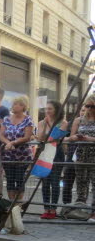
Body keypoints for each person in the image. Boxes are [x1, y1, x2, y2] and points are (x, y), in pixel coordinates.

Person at [0, 95, 34, 201]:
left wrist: (14, 142)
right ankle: (10, 204)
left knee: (19, 179)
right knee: (10, 179)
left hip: (22, 155)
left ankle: (17, 205)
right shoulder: (6, 119)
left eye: (15, 104)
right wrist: (8, 143)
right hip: (8, 155)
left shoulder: (28, 119)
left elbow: (27, 137)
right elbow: (1, 135)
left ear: (23, 106)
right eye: (13, 104)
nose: (13, 106)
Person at [37, 101, 68, 219]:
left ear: (56, 110)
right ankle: (46, 208)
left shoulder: (63, 123)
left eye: (50, 109)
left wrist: (49, 128)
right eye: (46, 109)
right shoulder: (41, 122)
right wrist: (45, 124)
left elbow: (55, 138)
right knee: (45, 182)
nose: (47, 111)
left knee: (55, 182)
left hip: (57, 153)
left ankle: (53, 209)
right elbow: (40, 137)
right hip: (45, 152)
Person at [69, 94, 95, 222]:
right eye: (87, 105)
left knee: (94, 184)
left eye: (92, 106)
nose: (89, 108)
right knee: (81, 183)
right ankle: (80, 210)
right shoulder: (78, 120)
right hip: (80, 155)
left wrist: (88, 139)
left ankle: (94, 212)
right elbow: (71, 137)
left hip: (94, 156)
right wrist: (76, 137)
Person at [63, 104, 86, 206]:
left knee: (82, 183)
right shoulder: (73, 122)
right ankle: (66, 204)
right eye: (82, 110)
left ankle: (80, 205)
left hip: (84, 157)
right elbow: (65, 138)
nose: (83, 112)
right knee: (67, 183)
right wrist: (67, 151)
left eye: (85, 110)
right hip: (71, 156)